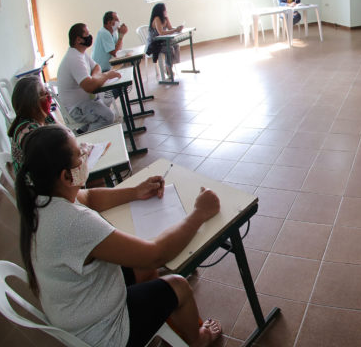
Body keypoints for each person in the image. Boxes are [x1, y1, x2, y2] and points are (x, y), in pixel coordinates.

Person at [16, 125, 223, 347]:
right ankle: (199, 340)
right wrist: (199, 213)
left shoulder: (42, 197)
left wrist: (136, 191)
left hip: (79, 308)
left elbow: (91, 197)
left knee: (145, 269)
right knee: (179, 285)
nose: (86, 155)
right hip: (104, 331)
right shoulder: (73, 222)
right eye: (80, 154)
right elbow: (155, 254)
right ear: (66, 176)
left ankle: (164, 312)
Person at [57, 23, 120, 133]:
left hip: (85, 103)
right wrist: (105, 76)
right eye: (87, 34)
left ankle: (84, 131)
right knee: (108, 116)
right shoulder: (74, 58)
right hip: (76, 109)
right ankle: (89, 141)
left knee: (103, 103)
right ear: (78, 40)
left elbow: (96, 66)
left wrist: (96, 77)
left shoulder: (80, 53)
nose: (90, 36)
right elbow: (89, 87)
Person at [7, 76, 56, 173]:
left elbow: (64, 133)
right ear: (33, 105)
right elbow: (50, 164)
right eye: (44, 94)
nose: (48, 96)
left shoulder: (44, 116)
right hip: (37, 183)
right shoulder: (28, 133)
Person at [146, 3, 183, 79]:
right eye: (164, 10)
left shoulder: (165, 18)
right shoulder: (157, 18)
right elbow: (161, 32)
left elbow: (170, 28)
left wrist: (177, 28)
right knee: (170, 49)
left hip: (162, 41)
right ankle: (168, 68)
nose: (166, 11)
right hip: (155, 44)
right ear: (160, 11)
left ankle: (170, 65)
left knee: (176, 45)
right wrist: (175, 30)